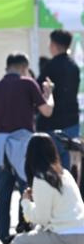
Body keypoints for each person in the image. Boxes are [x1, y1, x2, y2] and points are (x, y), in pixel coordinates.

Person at [0, 52, 54, 243]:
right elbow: (46, 111)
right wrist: (49, 93)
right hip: (24, 144)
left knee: (3, 192)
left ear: (7, 67)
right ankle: (26, 230)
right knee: (28, 187)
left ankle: (2, 236)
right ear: (24, 67)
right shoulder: (28, 83)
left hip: (2, 145)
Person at [11, 133, 84, 244]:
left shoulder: (42, 179)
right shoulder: (66, 175)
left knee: (19, 243)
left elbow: (41, 219)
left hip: (68, 241)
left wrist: (25, 202)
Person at [37, 29, 81, 169]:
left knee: (52, 167)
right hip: (72, 122)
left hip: (52, 124)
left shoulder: (50, 66)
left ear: (54, 45)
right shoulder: (74, 67)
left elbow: (38, 91)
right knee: (70, 168)